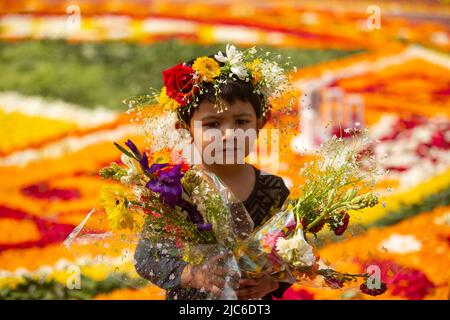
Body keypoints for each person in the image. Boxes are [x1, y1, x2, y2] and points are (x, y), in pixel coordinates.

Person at [134, 51, 293, 300]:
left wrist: (270, 283)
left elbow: (292, 255)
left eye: (241, 121)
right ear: (185, 129)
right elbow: (147, 258)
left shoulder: (273, 189)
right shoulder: (175, 190)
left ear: (261, 122)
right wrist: (193, 275)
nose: (229, 134)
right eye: (212, 124)